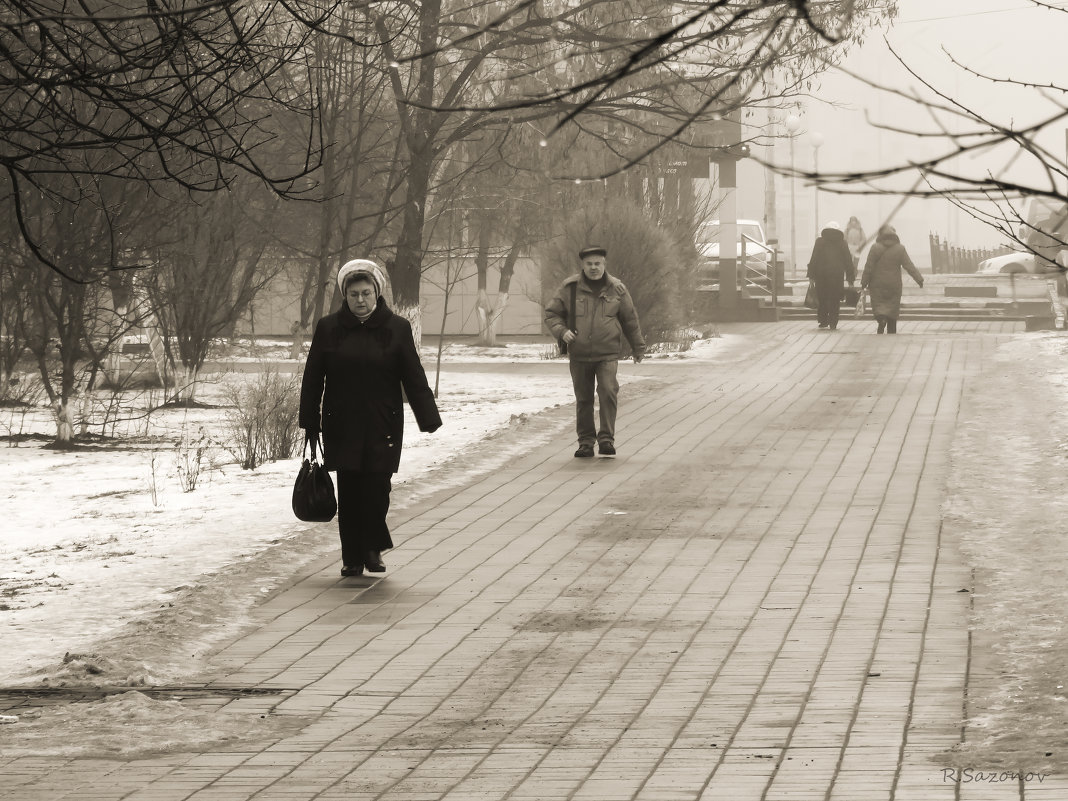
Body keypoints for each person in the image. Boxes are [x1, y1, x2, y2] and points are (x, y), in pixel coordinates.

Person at [299, 259, 441, 577]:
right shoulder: (329, 329)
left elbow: (413, 376)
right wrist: (310, 419)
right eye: (353, 294)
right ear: (344, 296)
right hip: (343, 422)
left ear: (377, 293)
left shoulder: (397, 329)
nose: (360, 300)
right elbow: (313, 376)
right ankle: (353, 557)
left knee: (378, 488)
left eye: (366, 293)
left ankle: (371, 548)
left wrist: (428, 416)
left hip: (383, 422)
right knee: (349, 491)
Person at [544, 245, 646, 458]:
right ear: (583, 265)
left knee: (608, 392)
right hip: (579, 353)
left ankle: (606, 439)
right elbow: (552, 314)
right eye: (589, 264)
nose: (593, 268)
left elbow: (630, 319)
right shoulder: (569, 287)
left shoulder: (617, 289)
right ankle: (586, 442)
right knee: (583, 399)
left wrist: (638, 347)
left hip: (607, 352)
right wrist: (562, 332)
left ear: (604, 264)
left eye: (597, 264)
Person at [860, 225, 924, 334]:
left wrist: (864, 282)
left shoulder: (875, 248)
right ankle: (891, 331)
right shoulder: (900, 248)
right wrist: (919, 279)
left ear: (880, 235)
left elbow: (869, 267)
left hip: (877, 283)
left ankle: (881, 320)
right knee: (892, 306)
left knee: (879, 304)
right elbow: (909, 265)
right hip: (894, 284)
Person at [806, 220, 855, 331]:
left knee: (822, 298)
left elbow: (814, 258)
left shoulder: (820, 241)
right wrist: (850, 278)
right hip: (837, 276)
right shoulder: (842, 243)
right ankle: (833, 323)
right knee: (835, 299)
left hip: (821, 275)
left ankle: (823, 321)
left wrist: (811, 276)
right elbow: (848, 261)